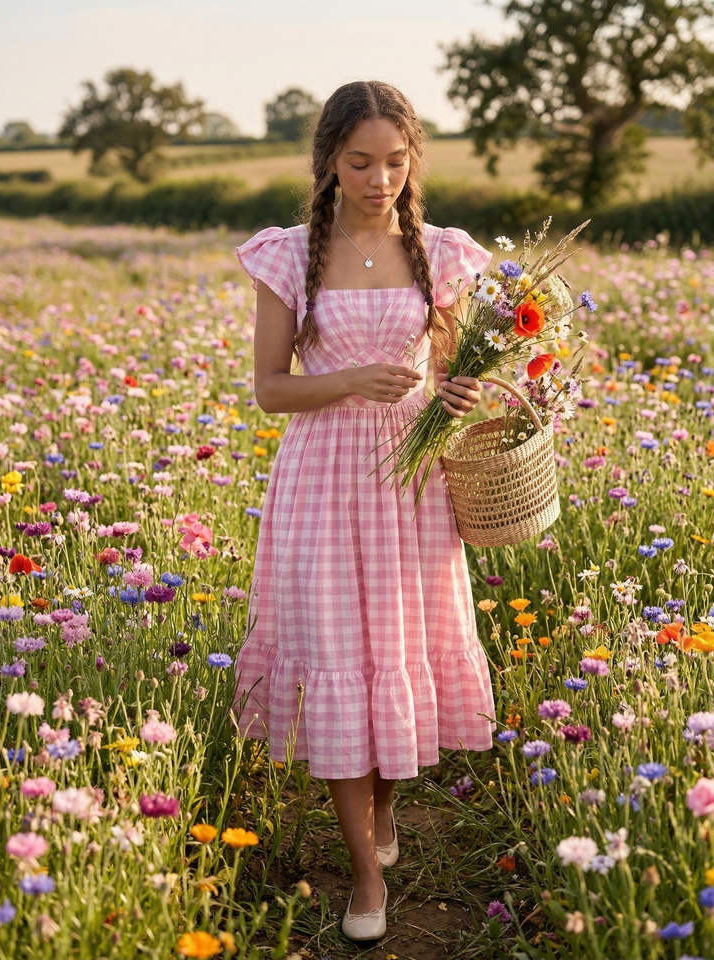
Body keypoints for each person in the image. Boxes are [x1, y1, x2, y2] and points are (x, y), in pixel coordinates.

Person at [233, 80, 495, 941]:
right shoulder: (289, 254)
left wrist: (456, 395)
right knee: (339, 652)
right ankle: (364, 878)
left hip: (412, 485)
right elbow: (270, 390)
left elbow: (460, 370)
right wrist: (347, 380)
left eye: (394, 161)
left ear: (413, 159)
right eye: (359, 162)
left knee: (396, 649)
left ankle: (384, 809)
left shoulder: (443, 253)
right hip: (321, 482)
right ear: (329, 161)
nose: (379, 179)